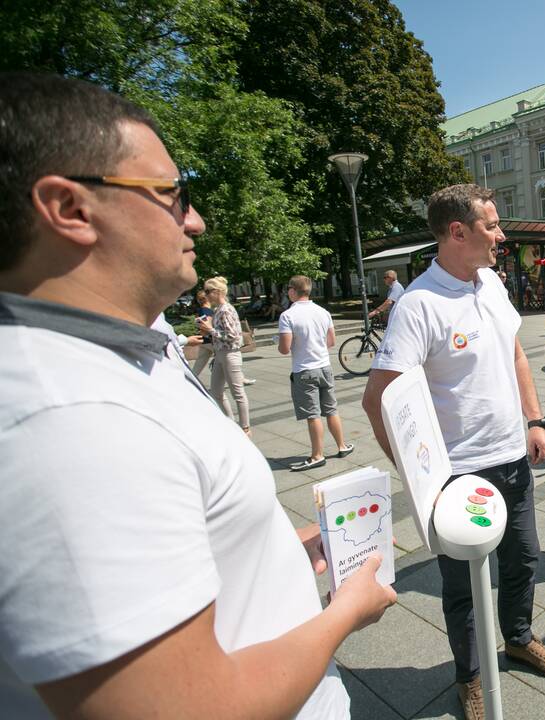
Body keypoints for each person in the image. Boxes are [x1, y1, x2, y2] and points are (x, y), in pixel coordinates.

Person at [0, 72, 394, 719]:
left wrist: (266, 547)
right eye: (171, 194)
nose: (197, 218)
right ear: (69, 208)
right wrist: (345, 614)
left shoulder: (123, 347)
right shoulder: (69, 421)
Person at [362, 184, 545, 720]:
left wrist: (535, 419)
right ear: (459, 232)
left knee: (524, 560)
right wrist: (422, 485)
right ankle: (471, 676)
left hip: (512, 458)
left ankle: (519, 639)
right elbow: (377, 399)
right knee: (462, 587)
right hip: (458, 475)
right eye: (492, 226)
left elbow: (515, 356)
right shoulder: (417, 305)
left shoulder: (492, 284)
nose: (501, 235)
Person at [278, 275, 355, 471]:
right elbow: (331, 341)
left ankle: (317, 455)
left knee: (313, 415)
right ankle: (342, 446)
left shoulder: (288, 316)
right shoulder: (323, 312)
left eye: (288, 289)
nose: (288, 292)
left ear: (294, 291)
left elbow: (284, 348)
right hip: (324, 367)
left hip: (304, 371)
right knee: (331, 410)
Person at [198, 275, 252, 436]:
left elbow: (234, 336)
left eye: (207, 291)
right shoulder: (219, 310)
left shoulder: (226, 309)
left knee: (238, 392)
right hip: (221, 353)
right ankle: (231, 422)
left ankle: (245, 428)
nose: (205, 295)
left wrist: (210, 330)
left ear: (216, 292)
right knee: (216, 391)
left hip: (230, 354)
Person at [189, 289, 215, 376]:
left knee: (199, 365)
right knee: (226, 359)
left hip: (204, 341)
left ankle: (191, 380)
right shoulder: (206, 310)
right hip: (210, 340)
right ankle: (239, 379)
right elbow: (206, 326)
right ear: (207, 298)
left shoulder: (202, 310)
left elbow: (200, 324)